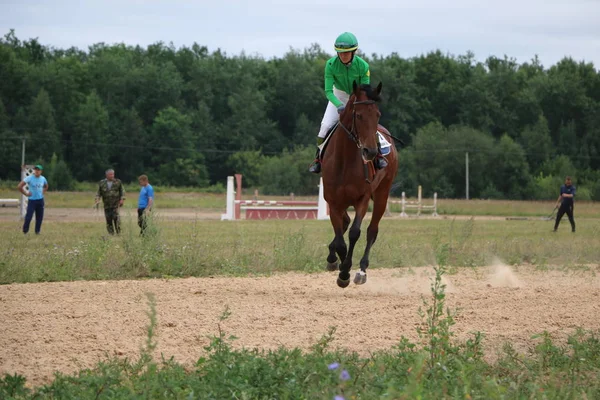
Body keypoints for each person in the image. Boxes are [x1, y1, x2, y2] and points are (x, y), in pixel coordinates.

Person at [309, 32, 388, 174]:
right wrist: (339, 105)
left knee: (367, 124)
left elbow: (364, 90)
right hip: (337, 96)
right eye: (340, 53)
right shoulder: (330, 65)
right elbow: (328, 91)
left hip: (357, 97)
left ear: (353, 52)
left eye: (346, 53)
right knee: (325, 126)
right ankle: (318, 159)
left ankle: (379, 155)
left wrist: (355, 103)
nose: (343, 56)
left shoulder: (363, 66)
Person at [17, 164, 48, 235]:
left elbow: (46, 186)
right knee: (29, 216)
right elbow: (19, 186)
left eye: (38, 170)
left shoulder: (43, 178)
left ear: (41, 171)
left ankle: (37, 231)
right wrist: (25, 193)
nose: (37, 171)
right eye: (36, 169)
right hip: (32, 200)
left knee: (39, 217)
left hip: (40, 200)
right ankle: (25, 231)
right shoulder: (30, 178)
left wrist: (43, 192)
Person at [95, 169, 125, 235]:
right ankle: (111, 233)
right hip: (106, 205)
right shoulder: (102, 183)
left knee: (116, 218)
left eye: (113, 174)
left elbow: (122, 191)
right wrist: (97, 199)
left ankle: (118, 233)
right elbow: (98, 193)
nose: (112, 176)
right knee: (108, 219)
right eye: (110, 174)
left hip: (115, 204)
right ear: (107, 175)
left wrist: (122, 199)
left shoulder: (118, 182)